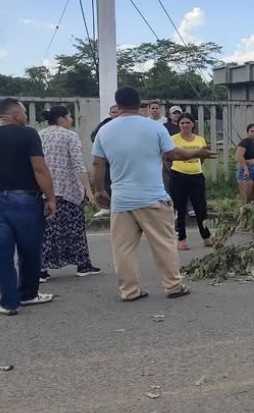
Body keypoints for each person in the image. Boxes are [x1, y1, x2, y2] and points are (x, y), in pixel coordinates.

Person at [93, 87, 213, 302]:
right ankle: (173, 286)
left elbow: (98, 162)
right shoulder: (153, 127)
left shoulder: (105, 130)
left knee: (123, 248)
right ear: (140, 104)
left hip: (121, 200)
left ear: (117, 105)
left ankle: (129, 291)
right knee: (164, 243)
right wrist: (196, 152)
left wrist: (99, 189)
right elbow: (172, 153)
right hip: (152, 197)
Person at [0, 98, 58, 316]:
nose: (26, 116)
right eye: (25, 112)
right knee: (29, 250)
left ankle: (8, 303)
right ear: (17, 114)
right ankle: (28, 294)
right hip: (25, 200)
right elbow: (39, 169)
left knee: (1, 253)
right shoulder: (28, 134)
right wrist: (51, 198)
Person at [38, 105, 100, 282]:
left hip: (46, 189)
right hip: (68, 190)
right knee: (74, 228)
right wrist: (89, 190)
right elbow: (78, 165)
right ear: (61, 119)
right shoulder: (70, 136)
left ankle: (41, 268)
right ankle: (82, 264)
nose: (71, 120)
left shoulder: (40, 135)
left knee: (47, 229)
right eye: (69, 116)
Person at [168, 112, 214, 250]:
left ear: (193, 124)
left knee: (201, 208)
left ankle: (206, 236)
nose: (185, 125)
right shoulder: (173, 139)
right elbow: (167, 155)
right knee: (180, 209)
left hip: (196, 175)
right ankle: (181, 238)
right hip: (178, 175)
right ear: (178, 124)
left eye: (188, 122)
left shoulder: (199, 139)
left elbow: (203, 156)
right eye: (182, 123)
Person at [90, 105, 120, 218]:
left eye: (118, 112)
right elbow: (94, 137)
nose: (116, 114)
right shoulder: (104, 125)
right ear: (110, 113)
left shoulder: (127, 125)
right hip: (107, 159)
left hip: (123, 160)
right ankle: (106, 207)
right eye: (113, 112)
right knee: (106, 180)